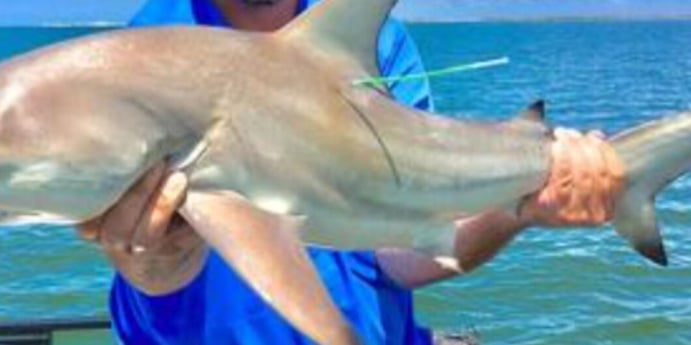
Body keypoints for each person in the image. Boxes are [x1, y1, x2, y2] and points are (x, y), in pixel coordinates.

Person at [77, 0, 625, 344]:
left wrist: (520, 207)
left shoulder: (371, 39)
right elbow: (147, 276)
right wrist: (155, 263)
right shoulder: (144, 45)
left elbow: (402, 250)